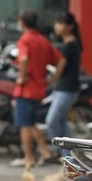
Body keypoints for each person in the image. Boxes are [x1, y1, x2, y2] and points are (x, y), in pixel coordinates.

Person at [9, 10, 65, 171]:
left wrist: (21, 76)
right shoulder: (43, 40)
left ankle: (29, 158)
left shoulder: (24, 40)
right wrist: (52, 79)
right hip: (39, 89)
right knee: (31, 122)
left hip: (26, 89)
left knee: (24, 125)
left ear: (22, 23)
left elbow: (24, 58)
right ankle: (44, 151)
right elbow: (60, 60)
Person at [44, 12, 82, 157]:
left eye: (61, 23)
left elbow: (60, 67)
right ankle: (69, 155)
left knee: (51, 120)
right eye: (57, 23)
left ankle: (62, 151)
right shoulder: (70, 44)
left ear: (70, 26)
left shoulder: (70, 46)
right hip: (63, 89)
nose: (57, 26)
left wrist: (51, 80)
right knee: (62, 123)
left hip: (67, 89)